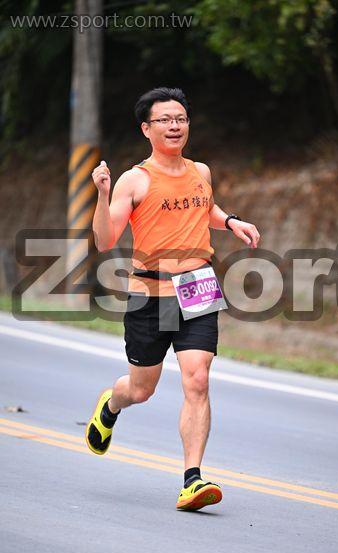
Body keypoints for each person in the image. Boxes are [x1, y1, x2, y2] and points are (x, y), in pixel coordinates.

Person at [86, 87, 260, 511]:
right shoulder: (135, 180)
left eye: (180, 118)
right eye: (164, 120)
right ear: (146, 129)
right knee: (141, 389)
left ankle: (192, 480)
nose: (174, 126)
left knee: (197, 380)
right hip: (150, 293)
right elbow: (106, 240)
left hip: (198, 285)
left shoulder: (200, 170)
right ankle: (112, 403)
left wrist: (230, 221)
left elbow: (203, 207)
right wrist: (103, 194)